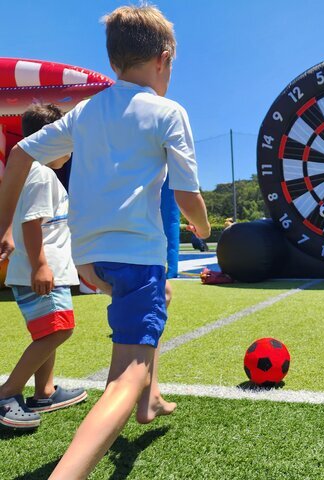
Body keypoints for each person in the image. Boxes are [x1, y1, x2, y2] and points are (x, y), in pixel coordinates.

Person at [0, 5, 210, 478]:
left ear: (114, 60)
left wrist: (0, 230)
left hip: (89, 261)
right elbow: (187, 194)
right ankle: (69, 470)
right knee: (124, 376)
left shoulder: (87, 111)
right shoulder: (168, 111)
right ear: (164, 58)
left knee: (163, 297)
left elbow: (18, 154)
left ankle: (150, 399)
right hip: (135, 256)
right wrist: (203, 227)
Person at [0, 104, 86, 430]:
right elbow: (32, 222)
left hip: (44, 271)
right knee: (60, 329)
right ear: (48, 139)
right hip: (40, 273)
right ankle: (7, 393)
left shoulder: (33, 172)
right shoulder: (40, 173)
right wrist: (40, 266)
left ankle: (44, 392)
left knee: (49, 330)